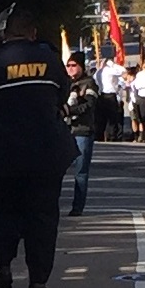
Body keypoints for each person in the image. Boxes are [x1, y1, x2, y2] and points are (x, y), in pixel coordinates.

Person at [0, 9, 76, 288]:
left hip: (4, 156)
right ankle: (38, 279)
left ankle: (4, 267)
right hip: (46, 154)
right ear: (33, 33)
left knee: (3, 212)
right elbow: (64, 90)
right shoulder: (49, 59)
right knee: (43, 216)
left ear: (3, 34)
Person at [62, 53, 98, 217]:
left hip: (82, 130)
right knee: (56, 170)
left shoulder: (89, 83)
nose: (70, 68)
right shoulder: (64, 83)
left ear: (81, 66)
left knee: (81, 172)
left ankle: (77, 207)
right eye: (68, 65)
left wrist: (70, 110)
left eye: (74, 65)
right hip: (64, 131)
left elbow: (89, 105)